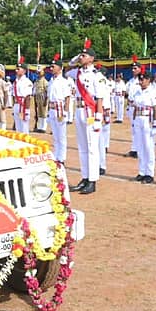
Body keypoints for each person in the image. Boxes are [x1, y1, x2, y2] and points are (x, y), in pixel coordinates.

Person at [66, 39, 107, 195]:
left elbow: (100, 98)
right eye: (80, 55)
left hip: (91, 113)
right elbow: (66, 69)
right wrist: (75, 58)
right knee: (82, 147)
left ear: (91, 58)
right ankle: (84, 177)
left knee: (92, 148)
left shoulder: (97, 75)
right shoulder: (77, 72)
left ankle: (92, 180)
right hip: (79, 111)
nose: (81, 57)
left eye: (84, 55)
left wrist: (98, 117)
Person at [130, 69, 156, 183]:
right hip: (138, 118)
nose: (141, 81)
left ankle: (149, 173)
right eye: (139, 79)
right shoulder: (138, 92)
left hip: (148, 120)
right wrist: (133, 121)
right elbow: (135, 107)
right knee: (140, 146)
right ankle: (142, 171)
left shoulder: (153, 92)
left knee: (148, 147)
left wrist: (155, 124)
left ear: (148, 80)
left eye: (142, 79)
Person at [46, 54, 71, 165]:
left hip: (60, 108)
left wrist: (65, 112)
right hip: (52, 108)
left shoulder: (64, 81)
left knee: (61, 135)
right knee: (55, 135)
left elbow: (67, 98)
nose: (51, 69)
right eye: (51, 67)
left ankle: (62, 157)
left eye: (54, 66)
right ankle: (56, 155)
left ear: (60, 68)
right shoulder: (51, 81)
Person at [124, 57, 142, 158]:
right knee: (134, 128)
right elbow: (126, 92)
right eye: (132, 68)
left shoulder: (141, 80)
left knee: (138, 128)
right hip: (131, 106)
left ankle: (139, 149)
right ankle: (134, 148)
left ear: (139, 69)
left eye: (135, 68)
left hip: (138, 107)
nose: (133, 70)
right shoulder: (131, 81)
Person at [11, 60, 33, 133]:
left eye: (18, 69)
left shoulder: (27, 82)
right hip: (16, 105)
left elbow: (27, 97)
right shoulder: (15, 81)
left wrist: (26, 110)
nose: (16, 70)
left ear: (24, 71)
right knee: (18, 128)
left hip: (23, 105)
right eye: (16, 69)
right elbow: (14, 95)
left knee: (24, 128)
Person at [33, 67, 49, 132]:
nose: (38, 74)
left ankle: (43, 128)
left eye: (39, 72)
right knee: (39, 113)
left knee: (44, 114)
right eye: (38, 73)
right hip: (38, 99)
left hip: (43, 99)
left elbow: (47, 91)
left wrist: (46, 100)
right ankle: (39, 127)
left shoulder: (45, 81)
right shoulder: (37, 81)